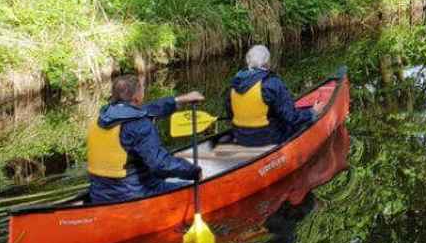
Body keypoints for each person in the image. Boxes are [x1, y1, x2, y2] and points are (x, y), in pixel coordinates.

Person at [87, 75, 206, 204]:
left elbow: (149, 109)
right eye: (142, 88)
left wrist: (181, 99)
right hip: (132, 194)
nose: (144, 91)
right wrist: (193, 171)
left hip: (98, 195)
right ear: (137, 97)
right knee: (200, 190)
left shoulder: (103, 117)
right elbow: (161, 165)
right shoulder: (140, 125)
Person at [225, 45, 312, 148]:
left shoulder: (234, 84)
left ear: (248, 62)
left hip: (240, 137)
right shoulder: (271, 83)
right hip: (267, 139)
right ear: (267, 63)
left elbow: (230, 115)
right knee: (297, 123)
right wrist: (312, 112)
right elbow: (291, 117)